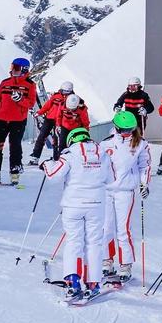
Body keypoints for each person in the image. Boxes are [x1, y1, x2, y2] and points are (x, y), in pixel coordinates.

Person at [44, 126, 116, 301]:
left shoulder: (69, 154)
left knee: (74, 242)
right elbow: (111, 179)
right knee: (94, 243)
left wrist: (45, 164)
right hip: (96, 205)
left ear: (72, 140)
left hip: (73, 205)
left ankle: (73, 282)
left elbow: (53, 175)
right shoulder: (103, 154)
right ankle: (93, 283)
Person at [101, 111, 151, 283]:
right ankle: (106, 261)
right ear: (116, 127)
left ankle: (126, 264)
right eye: (123, 130)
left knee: (122, 230)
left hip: (125, 191)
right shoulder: (105, 143)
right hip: (106, 191)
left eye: (130, 130)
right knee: (105, 228)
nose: (126, 133)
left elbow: (145, 166)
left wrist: (144, 183)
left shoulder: (140, 144)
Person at [0, 57, 37, 185]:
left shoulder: (30, 85)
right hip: (0, 119)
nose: (13, 70)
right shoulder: (5, 82)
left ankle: (14, 173)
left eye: (16, 68)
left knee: (15, 146)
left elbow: (31, 104)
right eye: (12, 67)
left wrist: (20, 99)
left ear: (24, 70)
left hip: (18, 121)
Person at [29, 81, 72, 165]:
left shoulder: (72, 99)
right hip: (50, 119)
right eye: (63, 91)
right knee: (42, 137)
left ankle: (57, 158)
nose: (65, 93)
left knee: (57, 139)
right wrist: (39, 112)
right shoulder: (56, 96)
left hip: (61, 121)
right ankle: (35, 157)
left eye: (67, 92)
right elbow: (47, 106)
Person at [52, 93, 91, 162]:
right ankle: (61, 161)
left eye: (72, 109)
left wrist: (85, 131)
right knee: (62, 145)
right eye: (68, 109)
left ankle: (77, 160)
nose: (70, 111)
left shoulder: (82, 109)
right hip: (64, 127)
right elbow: (59, 116)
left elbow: (85, 121)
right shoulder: (62, 103)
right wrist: (58, 125)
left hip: (76, 129)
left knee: (76, 145)